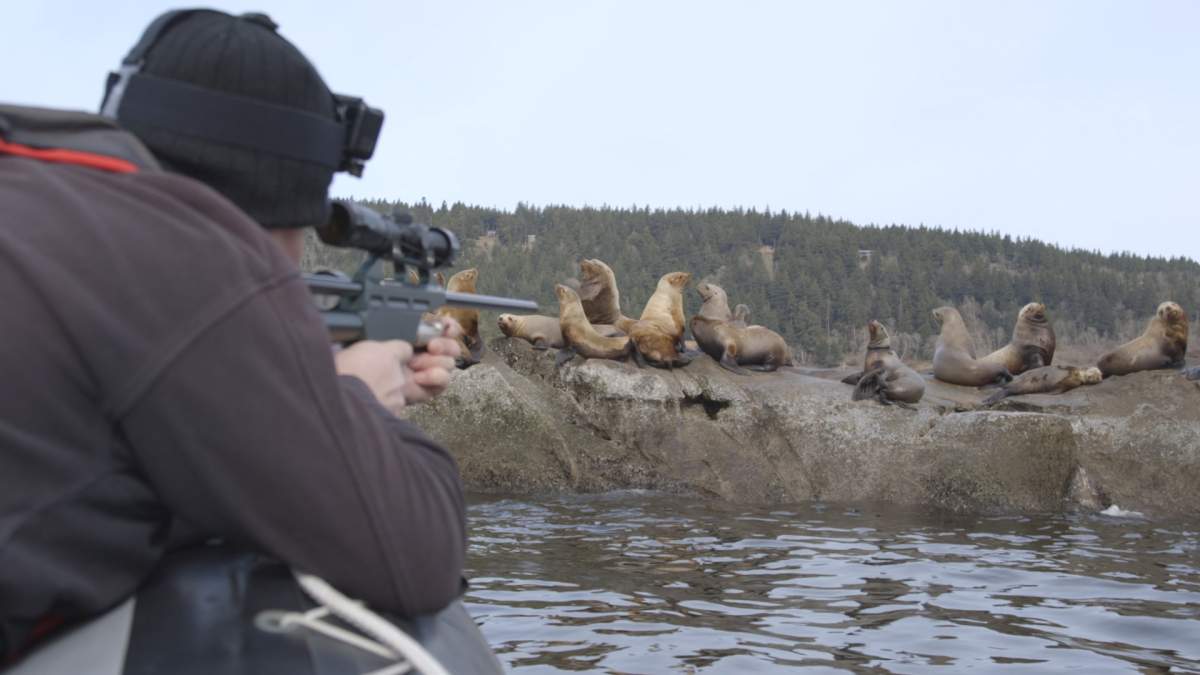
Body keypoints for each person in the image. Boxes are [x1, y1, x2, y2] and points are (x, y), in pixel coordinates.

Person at [0, 9, 492, 671]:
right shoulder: (183, 255)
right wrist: (360, 401)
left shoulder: (46, 190)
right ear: (280, 194)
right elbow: (418, 548)